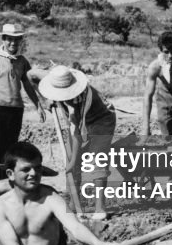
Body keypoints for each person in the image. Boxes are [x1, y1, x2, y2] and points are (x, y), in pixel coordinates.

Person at [39, 65, 115, 220]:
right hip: (81, 122)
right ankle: (75, 204)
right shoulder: (58, 81)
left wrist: (73, 160)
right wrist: (48, 99)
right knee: (72, 162)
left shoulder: (81, 98)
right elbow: (31, 75)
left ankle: (100, 208)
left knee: (96, 161)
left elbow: (78, 133)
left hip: (102, 119)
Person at [0, 24, 46, 185]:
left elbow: (28, 85)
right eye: (9, 40)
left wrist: (38, 105)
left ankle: (7, 185)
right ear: (3, 39)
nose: (12, 43)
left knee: (11, 150)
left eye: (16, 40)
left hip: (16, 110)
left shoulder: (22, 61)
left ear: (20, 40)